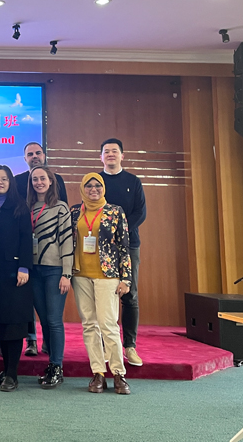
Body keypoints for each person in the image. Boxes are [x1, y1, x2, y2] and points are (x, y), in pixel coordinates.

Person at [70, 173, 132, 395]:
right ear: (82, 189)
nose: (93, 189)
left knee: (108, 324)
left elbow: (124, 246)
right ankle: (98, 372)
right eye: (89, 186)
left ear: (103, 188)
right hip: (80, 276)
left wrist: (126, 278)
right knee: (89, 324)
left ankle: (118, 373)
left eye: (98, 185)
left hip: (107, 276)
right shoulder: (74, 212)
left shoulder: (115, 211)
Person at [0, 165, 33, 392]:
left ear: (11, 182)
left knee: (13, 322)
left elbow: (26, 239)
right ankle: (5, 368)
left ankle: (12, 374)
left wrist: (24, 267)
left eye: (4, 179)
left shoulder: (20, 207)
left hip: (13, 270)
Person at [13, 141, 68, 356]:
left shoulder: (58, 187)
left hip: (53, 262)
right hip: (30, 261)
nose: (34, 156)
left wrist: (66, 272)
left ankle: (54, 358)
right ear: (25, 158)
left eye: (38, 153)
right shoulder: (18, 184)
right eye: (30, 154)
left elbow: (65, 231)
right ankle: (33, 341)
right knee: (35, 309)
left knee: (52, 317)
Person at [99, 138, 146, 367]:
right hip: (102, 247)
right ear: (101, 157)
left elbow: (140, 212)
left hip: (129, 245)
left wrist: (121, 232)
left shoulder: (133, 181)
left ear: (122, 156)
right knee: (103, 296)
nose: (110, 154)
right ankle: (107, 346)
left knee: (130, 295)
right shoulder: (96, 181)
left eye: (114, 151)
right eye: (106, 151)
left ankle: (130, 346)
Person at [26, 166, 73, 389]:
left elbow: (67, 241)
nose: (39, 182)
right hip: (33, 271)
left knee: (54, 320)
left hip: (55, 270)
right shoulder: (28, 207)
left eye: (42, 178)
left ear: (51, 181)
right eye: (35, 179)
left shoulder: (60, 207)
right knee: (44, 320)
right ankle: (51, 363)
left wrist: (66, 273)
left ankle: (56, 366)